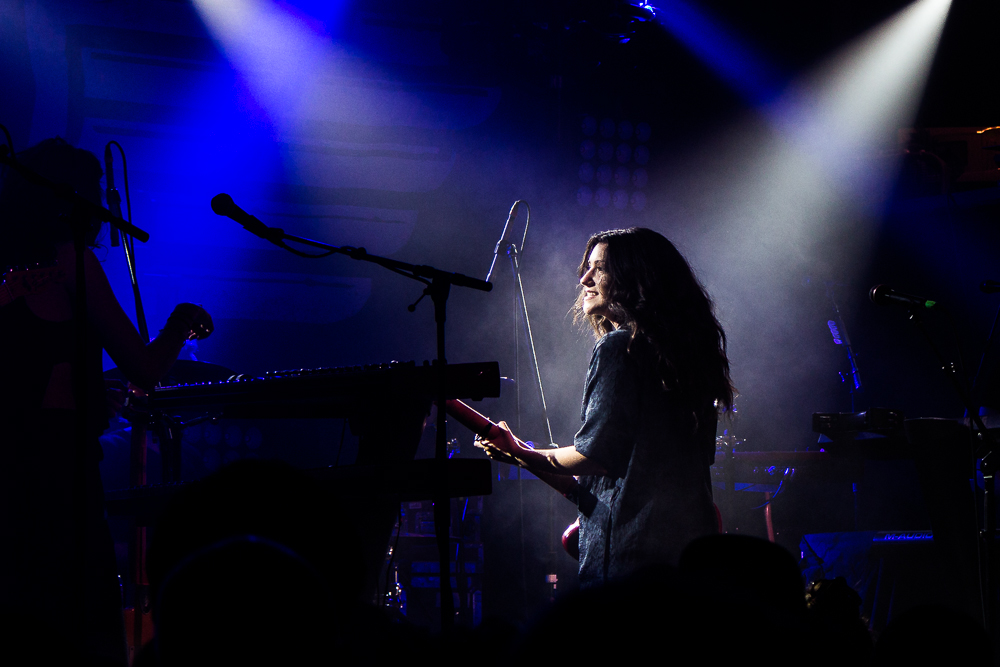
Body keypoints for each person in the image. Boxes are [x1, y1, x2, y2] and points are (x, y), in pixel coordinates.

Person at [0, 137, 213, 665]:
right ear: (68, 196)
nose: (102, 202)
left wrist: (88, 394)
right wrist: (182, 321)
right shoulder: (70, 260)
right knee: (77, 614)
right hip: (56, 471)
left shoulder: (8, 264)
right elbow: (144, 368)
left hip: (10, 466)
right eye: (94, 189)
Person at [481, 227, 734, 587]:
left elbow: (595, 455)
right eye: (586, 267)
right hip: (689, 548)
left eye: (599, 268)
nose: (584, 278)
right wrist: (522, 453)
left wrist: (521, 455)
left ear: (637, 277)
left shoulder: (620, 347)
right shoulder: (690, 356)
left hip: (630, 556)